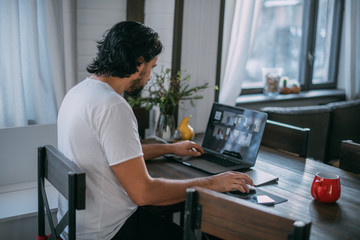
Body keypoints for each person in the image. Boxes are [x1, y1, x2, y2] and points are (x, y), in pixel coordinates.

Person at [57, 21, 253, 240]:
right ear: (140, 62)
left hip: (76, 226)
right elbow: (143, 192)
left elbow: (118, 154)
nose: (150, 77)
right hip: (108, 232)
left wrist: (169, 148)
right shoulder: (112, 106)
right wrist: (213, 183)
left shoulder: (79, 92)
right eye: (153, 66)